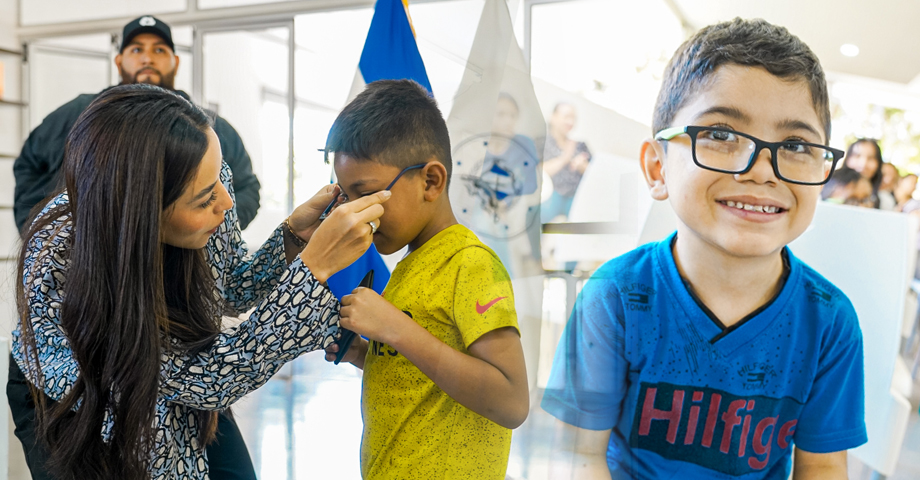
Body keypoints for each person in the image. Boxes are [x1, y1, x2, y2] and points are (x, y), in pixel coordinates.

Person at [8, 84, 388, 480]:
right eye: (205, 199)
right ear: (144, 212)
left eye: (221, 181)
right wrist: (313, 269)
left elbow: (231, 288)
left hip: (184, 370)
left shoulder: (203, 170)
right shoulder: (61, 261)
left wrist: (292, 236)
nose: (225, 203)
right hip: (83, 393)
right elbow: (209, 378)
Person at [541, 18, 866, 479]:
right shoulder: (615, 296)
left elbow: (824, 467)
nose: (762, 171)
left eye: (794, 143)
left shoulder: (829, 322)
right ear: (657, 167)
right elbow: (577, 456)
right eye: (721, 134)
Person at [321, 80, 529, 479]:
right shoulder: (411, 264)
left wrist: (396, 329)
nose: (352, 212)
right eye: (345, 198)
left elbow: (511, 401)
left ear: (431, 181)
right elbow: (425, 376)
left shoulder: (471, 264)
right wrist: (363, 355)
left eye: (365, 194)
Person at [12, 15, 261, 232]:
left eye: (159, 50)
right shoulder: (83, 112)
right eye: (137, 50)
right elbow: (29, 166)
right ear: (119, 62)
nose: (147, 59)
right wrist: (41, 230)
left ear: (175, 62)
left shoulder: (207, 126)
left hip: (184, 272)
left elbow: (247, 187)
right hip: (91, 268)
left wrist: (210, 232)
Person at [539, 102, 591, 223]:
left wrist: (583, 166)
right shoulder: (542, 142)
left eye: (573, 118)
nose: (570, 122)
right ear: (553, 117)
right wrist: (565, 158)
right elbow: (537, 171)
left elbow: (594, 174)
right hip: (551, 195)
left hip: (575, 197)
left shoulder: (580, 145)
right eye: (567, 116)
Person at [838, 138, 884, 209]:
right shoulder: (829, 187)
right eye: (857, 156)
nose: (863, 164)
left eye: (871, 158)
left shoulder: (882, 201)